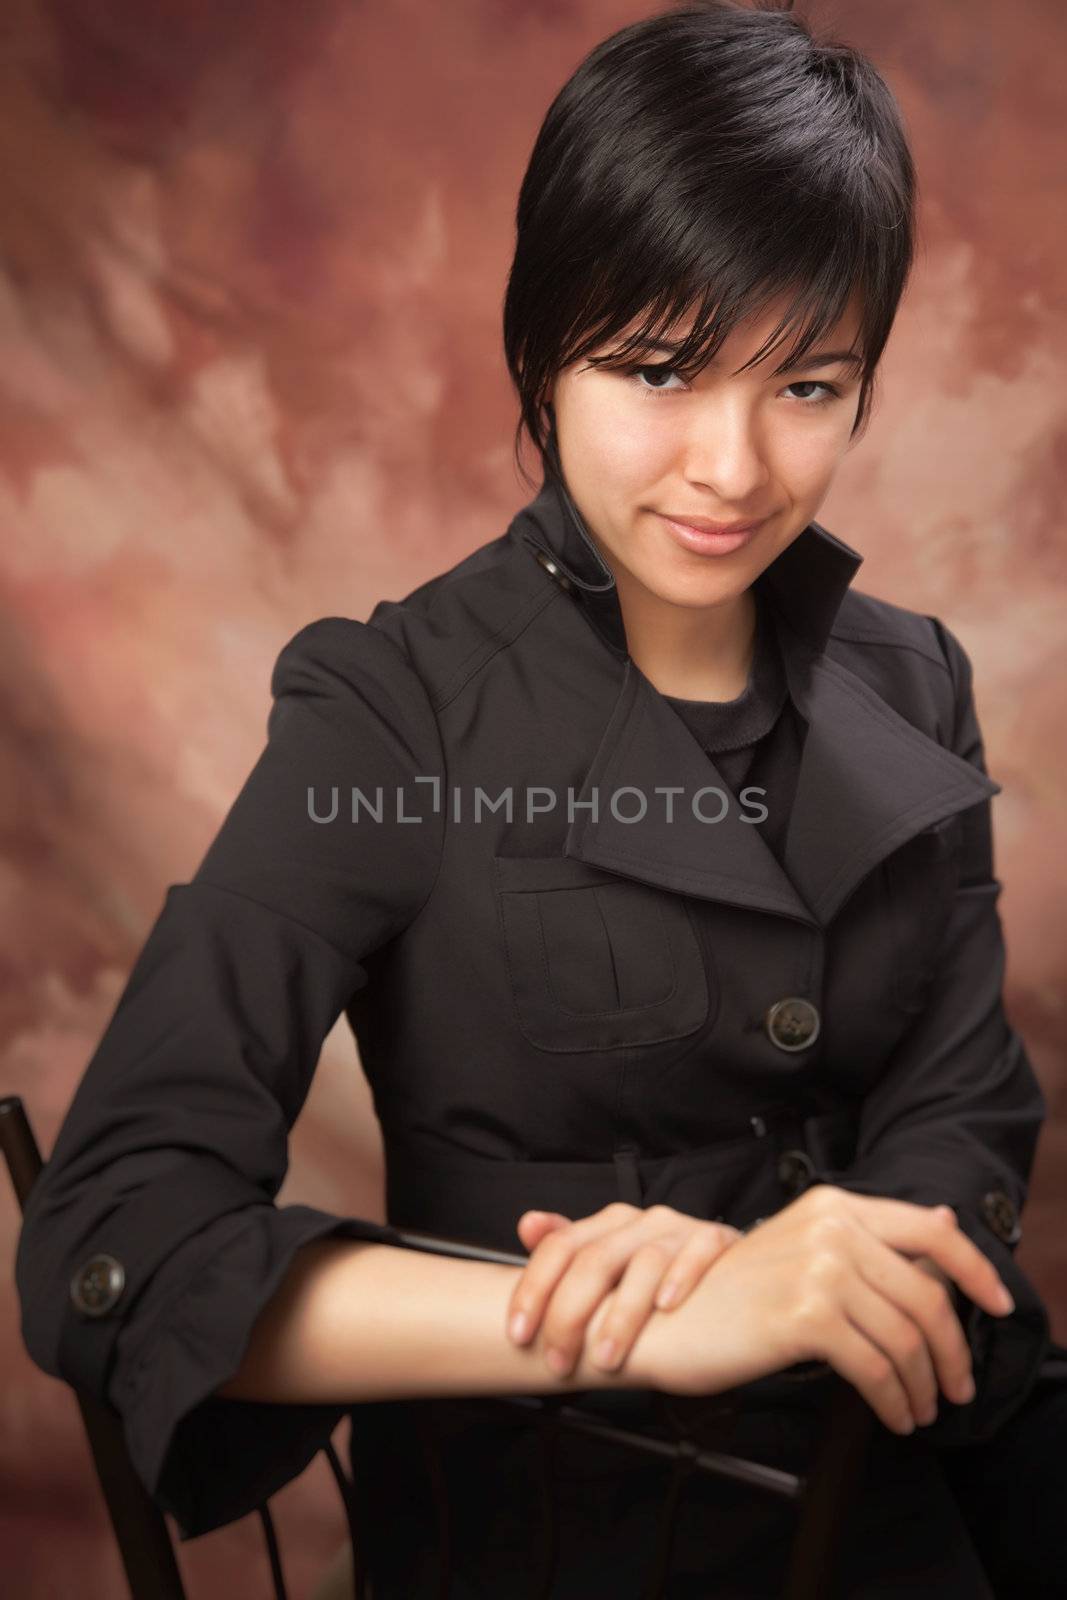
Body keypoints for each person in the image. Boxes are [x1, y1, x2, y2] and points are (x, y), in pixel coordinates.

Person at [15, 2, 1065, 1595]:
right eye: (658, 369)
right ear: (541, 351)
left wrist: (812, 1264)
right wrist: (650, 1311)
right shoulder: (390, 707)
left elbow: (964, 1121)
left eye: (808, 385)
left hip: (914, 1503)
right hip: (560, 1533)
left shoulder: (914, 676)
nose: (730, 465)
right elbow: (119, 1243)